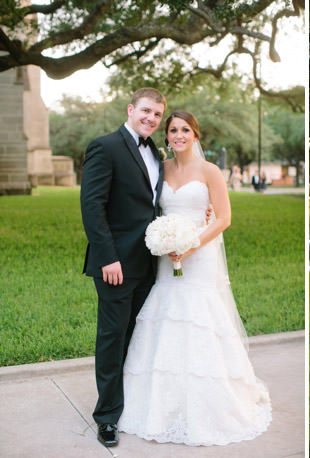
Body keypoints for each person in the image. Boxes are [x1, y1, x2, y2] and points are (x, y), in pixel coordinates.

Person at [117, 110, 271, 446]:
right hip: (166, 255)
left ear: (195, 135)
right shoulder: (160, 169)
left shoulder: (210, 171)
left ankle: (210, 401)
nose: (178, 135)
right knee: (166, 313)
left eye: (185, 129)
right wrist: (165, 240)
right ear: (167, 136)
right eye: (173, 130)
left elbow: (224, 218)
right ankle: (160, 404)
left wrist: (190, 244)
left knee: (199, 316)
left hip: (199, 254)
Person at [80, 88, 167, 448]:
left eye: (158, 115)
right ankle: (107, 417)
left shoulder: (157, 153)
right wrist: (107, 257)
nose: (151, 118)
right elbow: (92, 205)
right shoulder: (105, 146)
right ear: (131, 109)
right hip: (115, 263)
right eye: (146, 111)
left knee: (137, 338)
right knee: (113, 339)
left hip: (149, 263)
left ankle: (131, 405)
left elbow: (152, 205)